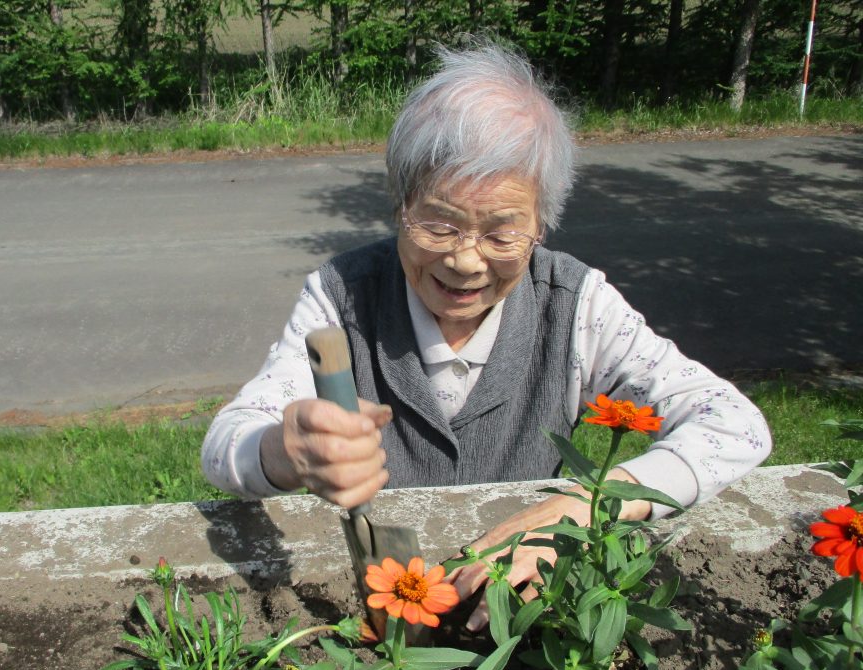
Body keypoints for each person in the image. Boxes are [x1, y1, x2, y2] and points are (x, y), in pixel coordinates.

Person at [201, 42, 771, 629]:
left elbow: (733, 423)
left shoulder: (576, 305)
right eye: (438, 224)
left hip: (527, 621)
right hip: (383, 622)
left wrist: (584, 507)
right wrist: (285, 451)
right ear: (400, 205)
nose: (467, 261)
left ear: (541, 225)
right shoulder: (340, 296)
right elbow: (225, 448)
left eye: (502, 234)